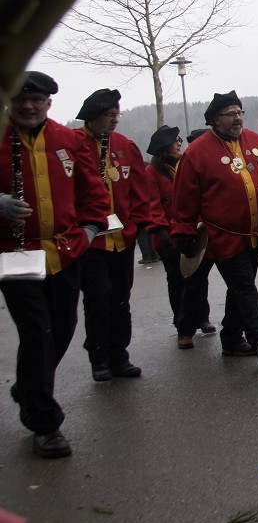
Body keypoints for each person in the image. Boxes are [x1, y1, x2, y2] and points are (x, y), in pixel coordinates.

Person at [0, 72, 110, 458]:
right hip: (14, 257)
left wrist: (93, 228)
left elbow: (93, 193)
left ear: (48, 103)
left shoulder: (68, 141)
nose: (28, 106)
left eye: (37, 99)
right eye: (21, 98)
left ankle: (29, 387)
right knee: (37, 334)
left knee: (61, 330)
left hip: (65, 253)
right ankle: (45, 423)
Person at [172, 91, 258, 363]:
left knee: (240, 288)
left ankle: (232, 340)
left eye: (240, 112)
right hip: (222, 235)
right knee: (244, 286)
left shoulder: (257, 141)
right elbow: (184, 198)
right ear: (215, 119)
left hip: (256, 231)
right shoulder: (197, 152)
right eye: (230, 113)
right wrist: (184, 231)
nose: (237, 118)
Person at [75, 88, 168, 382]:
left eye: (117, 114)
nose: (115, 119)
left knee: (120, 297)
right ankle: (99, 356)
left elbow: (139, 190)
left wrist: (137, 223)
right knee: (97, 296)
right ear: (92, 116)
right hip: (91, 241)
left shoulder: (126, 146)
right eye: (108, 115)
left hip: (122, 238)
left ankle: (119, 354)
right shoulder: (73, 144)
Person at [145, 125, 216, 345]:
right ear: (163, 146)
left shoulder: (183, 165)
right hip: (167, 236)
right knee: (177, 279)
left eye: (179, 140)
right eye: (175, 141)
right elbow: (151, 203)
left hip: (191, 231)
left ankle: (202, 317)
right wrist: (161, 231)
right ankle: (181, 322)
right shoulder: (151, 172)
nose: (179, 143)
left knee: (198, 276)